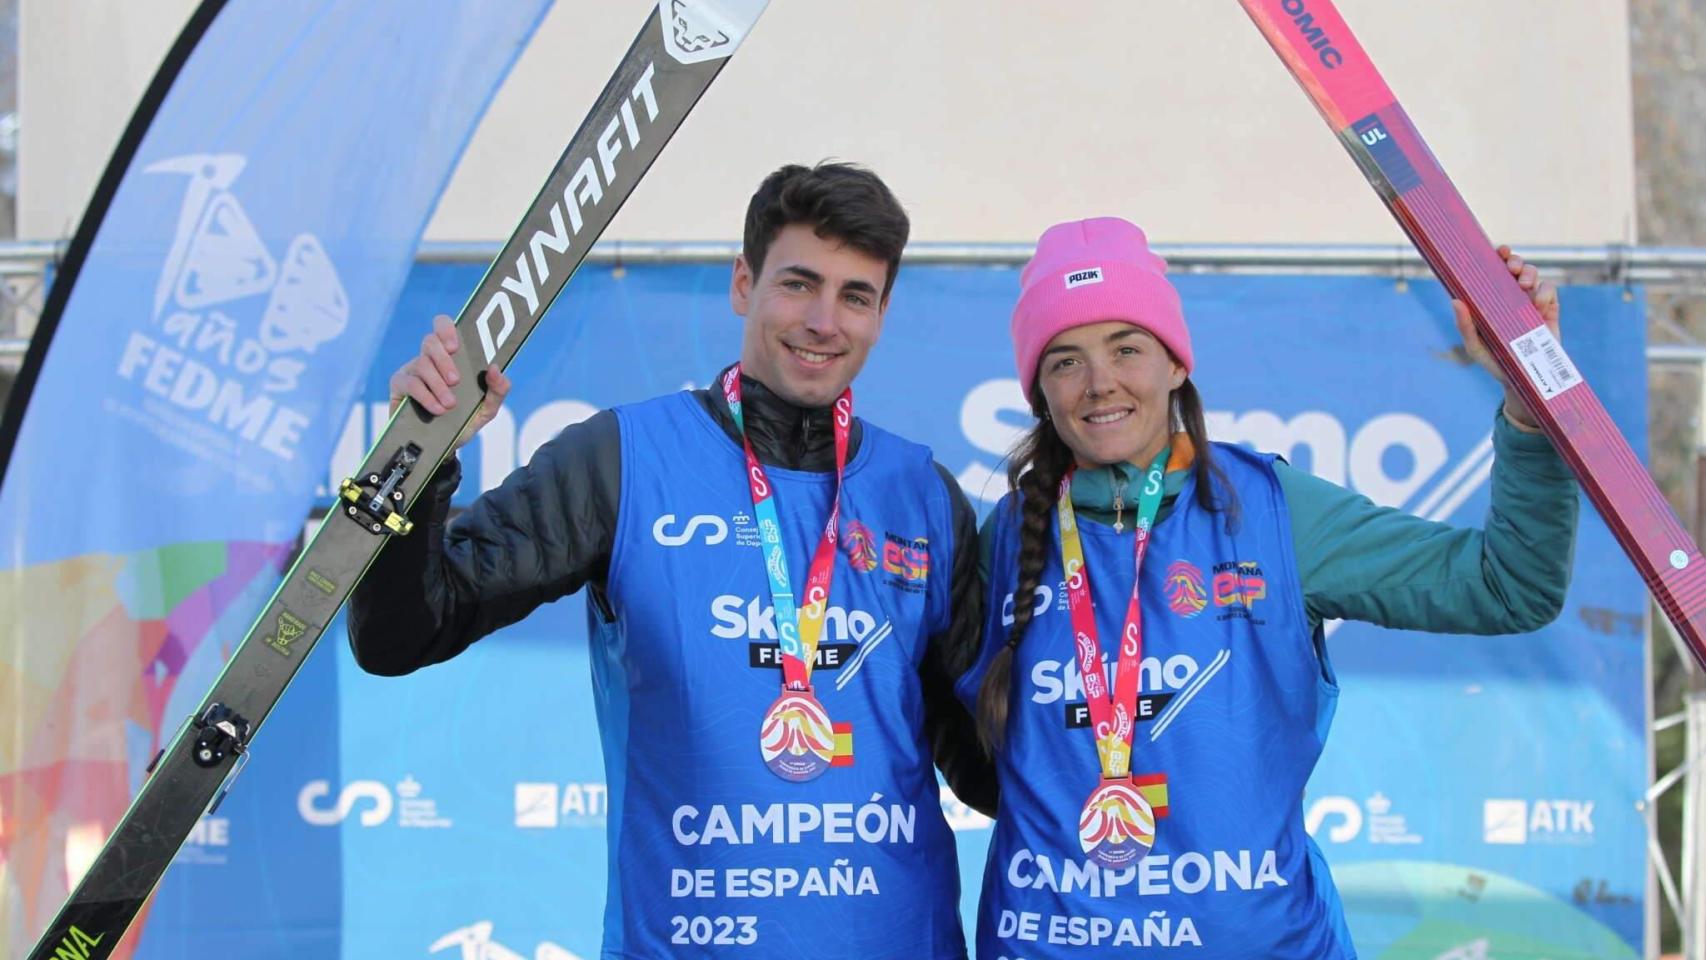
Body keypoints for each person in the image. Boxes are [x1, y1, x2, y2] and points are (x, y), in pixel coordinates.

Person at [349, 162, 992, 960]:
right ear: (742, 284)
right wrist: (417, 461)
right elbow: (404, 634)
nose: (825, 320)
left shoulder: (920, 494)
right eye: (798, 284)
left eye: (855, 296)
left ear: (882, 313)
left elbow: (989, 769)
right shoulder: (623, 461)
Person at [956, 216, 1576, 957]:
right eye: (1065, 360)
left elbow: (1506, 585)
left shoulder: (1272, 512)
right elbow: (963, 748)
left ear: (1176, 364)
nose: (1100, 383)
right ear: (1038, 390)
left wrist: (1528, 394)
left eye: (1127, 348)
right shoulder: (1006, 539)